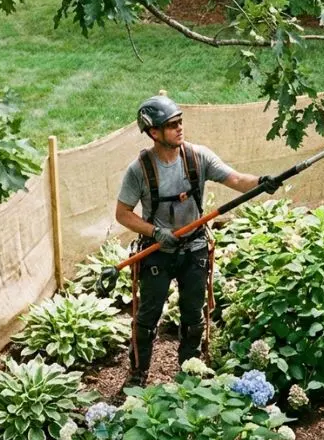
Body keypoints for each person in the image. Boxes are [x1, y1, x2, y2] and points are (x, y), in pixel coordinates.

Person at [115, 94, 281, 385]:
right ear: (154, 132)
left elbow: (236, 179)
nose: (180, 128)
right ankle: (138, 373)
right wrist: (155, 232)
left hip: (194, 249)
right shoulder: (139, 170)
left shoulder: (197, 158)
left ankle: (189, 373)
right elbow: (123, 214)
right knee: (147, 318)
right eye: (172, 125)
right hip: (157, 252)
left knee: (193, 317)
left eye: (180, 122)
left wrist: (261, 183)